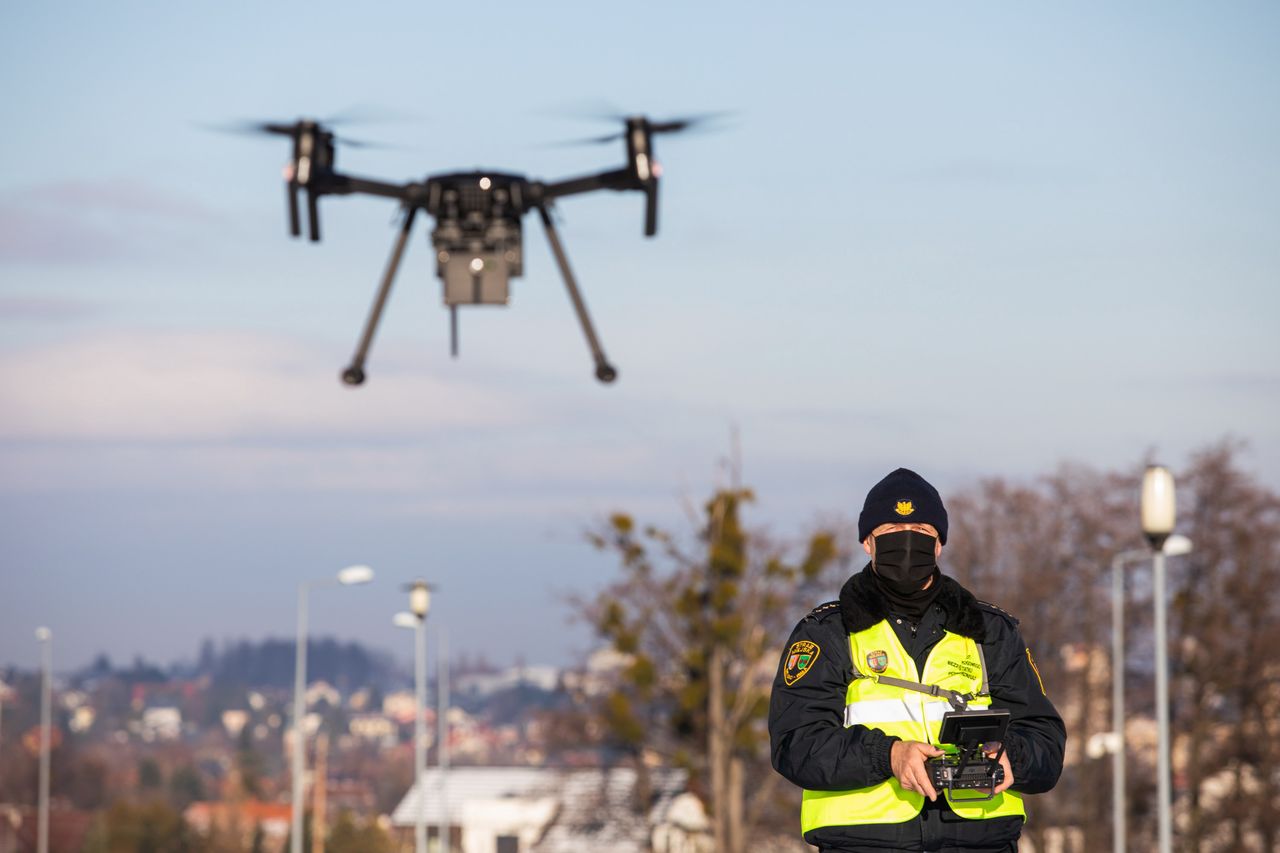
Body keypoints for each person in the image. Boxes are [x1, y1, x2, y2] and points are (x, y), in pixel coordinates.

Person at [769, 468, 1065, 852]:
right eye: (892, 530)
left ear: (940, 544)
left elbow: (1046, 740)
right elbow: (795, 743)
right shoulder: (826, 633)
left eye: (923, 533)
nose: (908, 543)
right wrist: (889, 755)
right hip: (863, 843)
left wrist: (1015, 758)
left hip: (980, 841)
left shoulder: (990, 631)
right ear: (867, 542)